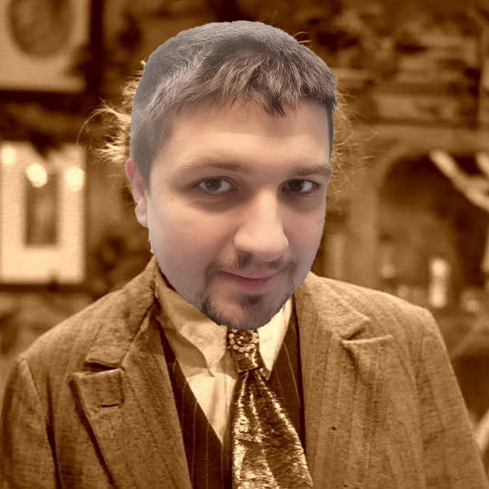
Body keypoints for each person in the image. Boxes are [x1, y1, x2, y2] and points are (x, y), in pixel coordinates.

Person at [1, 20, 487, 489]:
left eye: (299, 186)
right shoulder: (50, 380)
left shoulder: (406, 342)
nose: (266, 241)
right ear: (143, 191)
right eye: (215, 185)